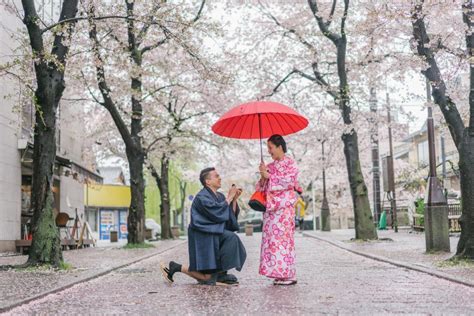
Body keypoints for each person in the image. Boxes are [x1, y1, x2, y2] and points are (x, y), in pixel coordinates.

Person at [160, 167, 247, 286]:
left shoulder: (220, 196)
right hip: (203, 235)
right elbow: (216, 212)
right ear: (208, 181)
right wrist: (230, 198)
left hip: (214, 232)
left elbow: (227, 216)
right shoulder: (201, 197)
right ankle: (180, 268)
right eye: (216, 176)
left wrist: (234, 200)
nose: (220, 178)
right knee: (208, 278)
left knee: (231, 238)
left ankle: (220, 273)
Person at [256, 134, 299, 286]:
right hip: (271, 210)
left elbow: (289, 182)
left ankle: (289, 274)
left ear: (280, 147)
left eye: (271, 148)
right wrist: (263, 177)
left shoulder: (291, 164)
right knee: (272, 242)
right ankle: (279, 273)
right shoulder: (270, 166)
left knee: (284, 241)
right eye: (267, 148)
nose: (269, 151)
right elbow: (261, 188)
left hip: (284, 209)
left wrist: (270, 176)